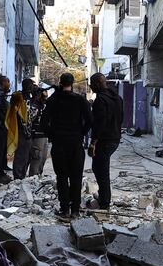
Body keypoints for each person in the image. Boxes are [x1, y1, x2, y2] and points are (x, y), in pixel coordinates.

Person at [41, 72, 92, 219]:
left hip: (59, 144)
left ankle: (65, 210)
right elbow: (89, 120)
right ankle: (75, 210)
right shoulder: (80, 100)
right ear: (73, 83)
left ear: (60, 82)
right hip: (76, 144)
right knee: (76, 177)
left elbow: (44, 122)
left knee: (62, 177)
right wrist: (81, 133)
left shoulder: (53, 100)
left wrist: (52, 135)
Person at [89, 73, 124, 210]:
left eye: (92, 85)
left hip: (104, 140)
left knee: (101, 170)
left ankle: (104, 203)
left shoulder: (100, 100)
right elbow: (121, 118)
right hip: (115, 138)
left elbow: (99, 123)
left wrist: (93, 142)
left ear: (97, 84)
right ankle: (103, 196)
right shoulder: (117, 98)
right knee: (100, 168)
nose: (91, 87)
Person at [9, 79, 35, 179]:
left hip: (27, 131)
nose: (33, 88)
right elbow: (25, 115)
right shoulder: (20, 97)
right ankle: (18, 176)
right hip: (21, 130)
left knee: (26, 156)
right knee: (21, 155)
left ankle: (21, 175)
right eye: (32, 86)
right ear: (28, 87)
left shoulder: (28, 97)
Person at [28, 86, 49, 176]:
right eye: (43, 96)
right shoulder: (33, 104)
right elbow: (31, 117)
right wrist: (38, 102)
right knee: (37, 157)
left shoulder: (43, 104)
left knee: (43, 158)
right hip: (36, 135)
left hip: (44, 135)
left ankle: (38, 176)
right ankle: (33, 177)